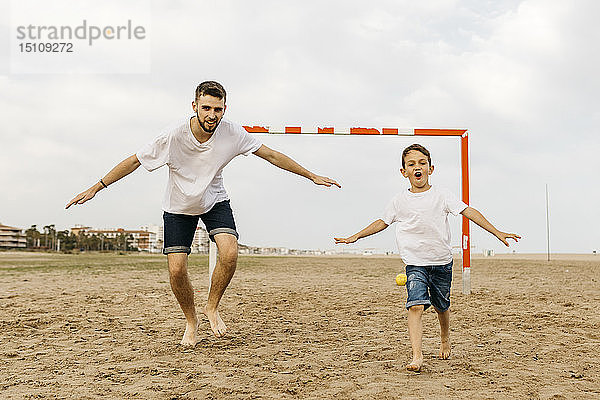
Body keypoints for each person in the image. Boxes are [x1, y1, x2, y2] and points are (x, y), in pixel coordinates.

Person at [66, 81, 340, 346]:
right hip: (178, 206)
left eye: (217, 109)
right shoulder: (172, 136)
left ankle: (212, 307)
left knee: (230, 252)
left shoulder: (233, 133)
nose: (212, 115)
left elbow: (271, 155)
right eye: (206, 108)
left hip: (214, 200)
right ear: (195, 105)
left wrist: (311, 175)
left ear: (224, 109)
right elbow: (134, 161)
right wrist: (96, 187)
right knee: (176, 269)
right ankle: (191, 321)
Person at [333, 143, 519, 372]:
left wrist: (497, 232)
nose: (417, 167)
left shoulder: (442, 195)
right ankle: (417, 356)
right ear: (404, 172)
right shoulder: (398, 201)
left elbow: (469, 212)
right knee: (415, 306)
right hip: (415, 264)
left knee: (442, 307)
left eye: (422, 163)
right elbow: (382, 222)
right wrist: (356, 236)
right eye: (411, 164)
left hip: (441, 262)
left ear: (431, 168)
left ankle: (444, 338)